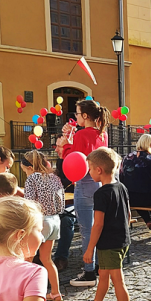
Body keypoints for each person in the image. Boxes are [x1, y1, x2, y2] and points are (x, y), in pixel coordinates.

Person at [72, 148, 136, 301]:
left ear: (99, 170)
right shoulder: (121, 187)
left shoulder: (101, 194)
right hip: (121, 240)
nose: (89, 172)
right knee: (104, 276)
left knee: (118, 281)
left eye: (90, 168)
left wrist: (89, 248)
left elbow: (97, 224)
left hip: (110, 244)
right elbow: (129, 214)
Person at [60, 99, 109, 288]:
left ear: (86, 116)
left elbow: (74, 159)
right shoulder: (102, 134)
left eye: (78, 113)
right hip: (100, 182)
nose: (76, 116)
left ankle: (89, 271)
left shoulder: (82, 134)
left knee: (87, 229)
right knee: (98, 226)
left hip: (85, 182)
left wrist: (65, 145)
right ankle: (97, 265)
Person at [21, 150, 65, 301]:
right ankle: (55, 292)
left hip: (40, 221)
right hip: (54, 220)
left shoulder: (32, 178)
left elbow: (29, 204)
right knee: (47, 259)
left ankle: (26, 292)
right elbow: (61, 202)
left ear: (27, 166)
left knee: (28, 258)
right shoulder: (54, 177)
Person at [120, 134, 151, 238]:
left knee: (138, 195)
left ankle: (148, 221)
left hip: (131, 197)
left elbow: (121, 176)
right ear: (147, 144)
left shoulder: (127, 158)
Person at [52, 135, 75, 273]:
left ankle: (61, 257)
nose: (55, 150)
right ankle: (38, 256)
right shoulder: (60, 161)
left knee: (67, 219)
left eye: (58, 146)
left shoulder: (76, 160)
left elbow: (70, 180)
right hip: (60, 200)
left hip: (77, 201)